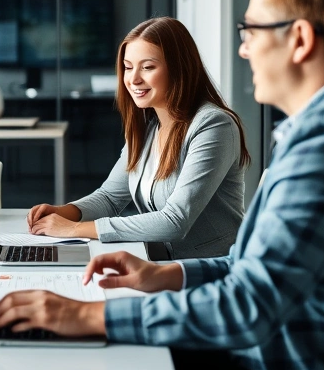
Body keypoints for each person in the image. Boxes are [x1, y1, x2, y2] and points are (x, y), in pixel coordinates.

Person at [0, 0, 324, 370]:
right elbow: (250, 271)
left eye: (251, 31)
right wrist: (165, 275)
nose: (243, 50)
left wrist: (88, 317)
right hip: (272, 352)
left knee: (85, 363)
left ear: (299, 39)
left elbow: (248, 306)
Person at [27, 17, 250, 259]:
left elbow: (175, 221)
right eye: (128, 66)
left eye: (147, 67)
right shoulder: (148, 126)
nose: (133, 79)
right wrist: (64, 212)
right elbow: (110, 198)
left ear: (179, 68)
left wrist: (74, 229)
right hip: (158, 263)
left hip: (212, 271)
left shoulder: (213, 125)